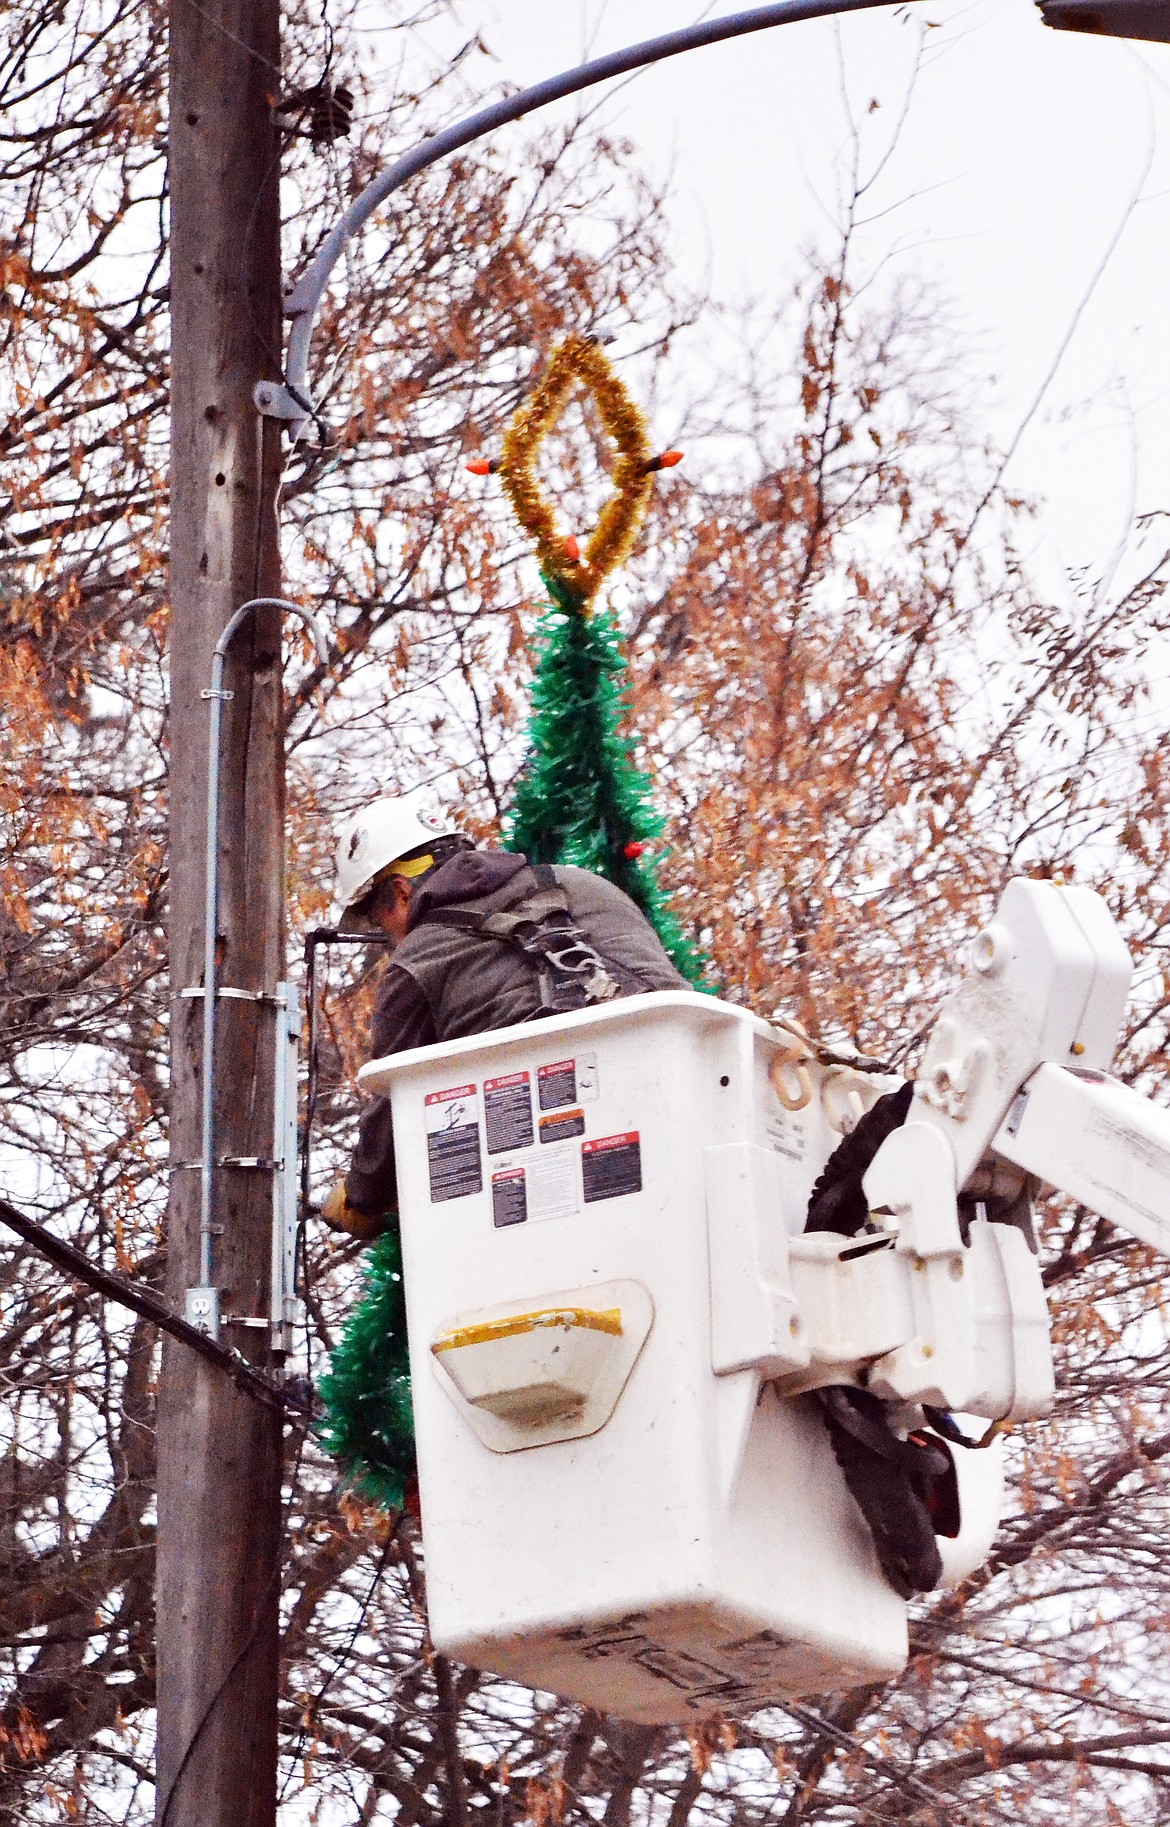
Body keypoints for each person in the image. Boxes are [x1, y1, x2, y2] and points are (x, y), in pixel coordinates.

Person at [320, 795, 694, 1240]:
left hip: (548, 1193)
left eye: (383, 926)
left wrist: (360, 1197)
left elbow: (393, 1106)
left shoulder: (416, 962)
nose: (392, 941)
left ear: (402, 892)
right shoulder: (583, 885)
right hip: (683, 1110)